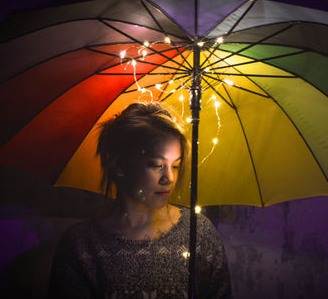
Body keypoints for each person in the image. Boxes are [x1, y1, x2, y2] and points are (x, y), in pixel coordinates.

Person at [48, 102, 231, 298]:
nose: (168, 178)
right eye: (156, 165)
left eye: (175, 166)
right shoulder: (81, 245)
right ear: (119, 165)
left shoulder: (198, 233)